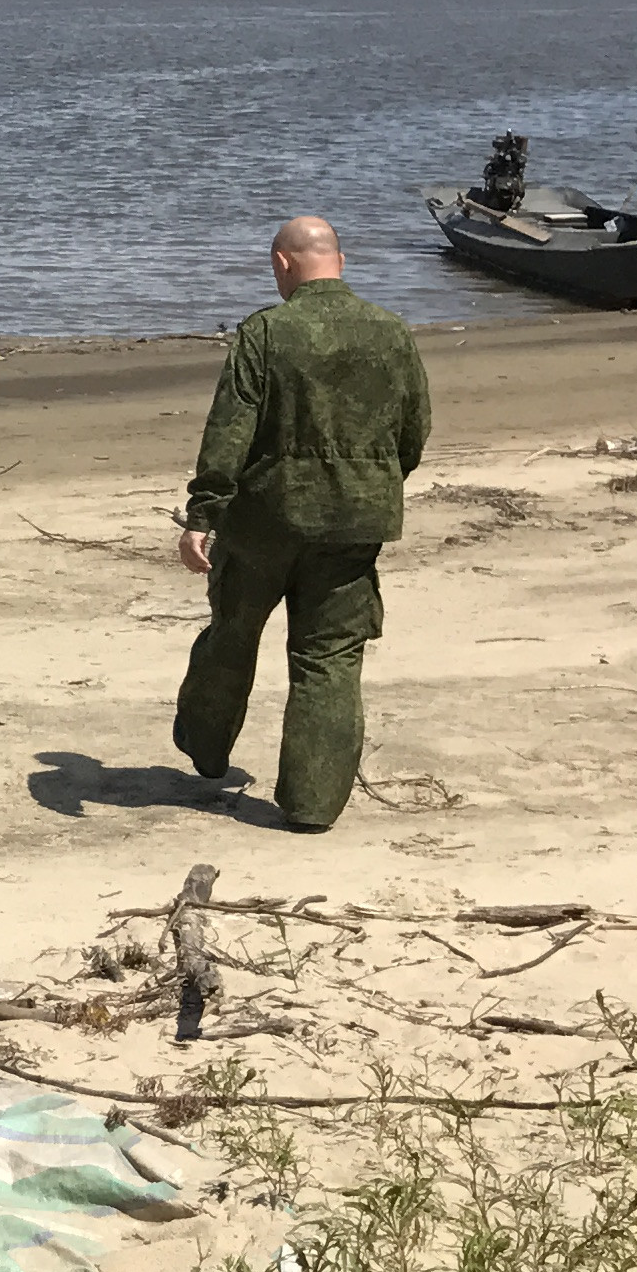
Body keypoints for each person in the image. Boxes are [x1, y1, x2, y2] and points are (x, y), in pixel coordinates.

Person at [171, 215, 434, 832]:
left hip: (267, 520)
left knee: (233, 632)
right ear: (341, 261)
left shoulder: (266, 332)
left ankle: (206, 749)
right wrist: (371, 485)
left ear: (283, 264)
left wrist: (202, 514)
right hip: (354, 522)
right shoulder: (391, 333)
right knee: (329, 657)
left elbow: (228, 433)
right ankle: (312, 805)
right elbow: (412, 432)